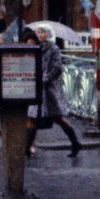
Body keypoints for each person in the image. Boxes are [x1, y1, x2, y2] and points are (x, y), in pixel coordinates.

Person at [28, 26, 82, 158]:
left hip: (49, 89)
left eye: (42, 32)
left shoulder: (54, 48)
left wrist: (46, 79)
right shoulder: (37, 48)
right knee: (32, 117)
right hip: (38, 88)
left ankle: (75, 142)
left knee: (58, 118)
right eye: (38, 32)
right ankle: (26, 148)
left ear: (48, 34)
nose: (40, 35)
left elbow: (57, 67)